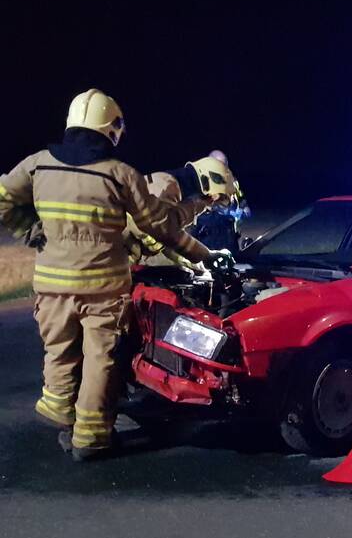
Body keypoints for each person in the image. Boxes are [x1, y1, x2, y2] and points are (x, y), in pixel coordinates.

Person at [0, 89, 221, 461]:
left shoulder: (38, 165)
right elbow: (161, 227)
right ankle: (90, 438)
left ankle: (59, 410)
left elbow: (4, 200)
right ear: (112, 128)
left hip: (53, 286)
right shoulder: (121, 175)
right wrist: (202, 251)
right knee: (100, 360)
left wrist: (30, 231)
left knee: (60, 351)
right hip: (103, 289)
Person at [126, 156, 237, 267]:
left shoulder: (168, 186)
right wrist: (206, 256)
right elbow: (168, 232)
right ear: (206, 183)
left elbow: (168, 242)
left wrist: (200, 262)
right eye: (217, 197)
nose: (212, 204)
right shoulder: (166, 186)